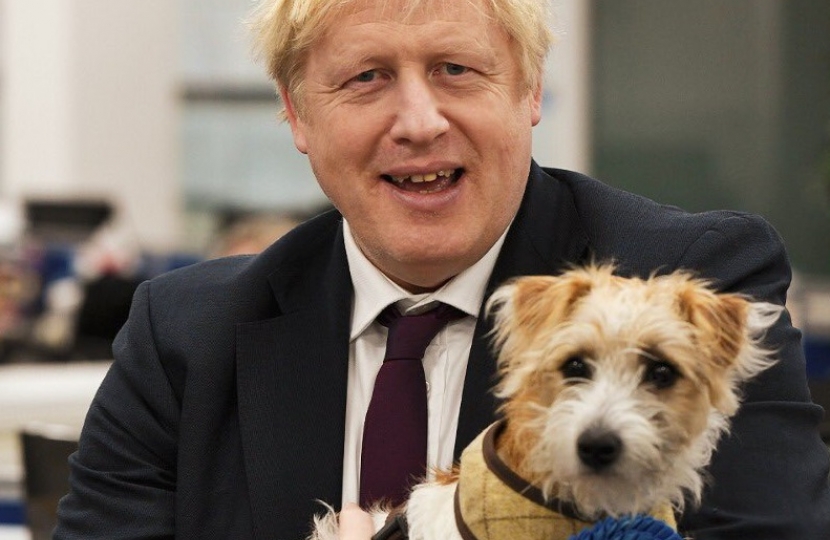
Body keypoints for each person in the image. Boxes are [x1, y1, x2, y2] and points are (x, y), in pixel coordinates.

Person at [54, 0, 830, 538]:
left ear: (529, 90)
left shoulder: (686, 279)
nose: (420, 122)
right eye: (367, 78)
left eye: (457, 68)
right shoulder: (182, 336)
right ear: (294, 113)